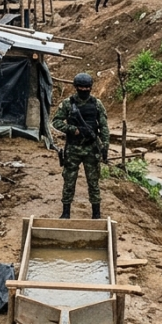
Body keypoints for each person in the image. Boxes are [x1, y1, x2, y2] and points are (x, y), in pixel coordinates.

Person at [52, 73, 110, 219]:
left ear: (90, 88)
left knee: (93, 181)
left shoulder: (97, 104)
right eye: (81, 87)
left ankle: (96, 213)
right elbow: (56, 121)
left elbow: (103, 127)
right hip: (73, 148)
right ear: (76, 87)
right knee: (69, 180)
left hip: (91, 148)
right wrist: (73, 129)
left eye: (87, 87)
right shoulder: (67, 103)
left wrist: (105, 145)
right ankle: (66, 212)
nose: (84, 90)